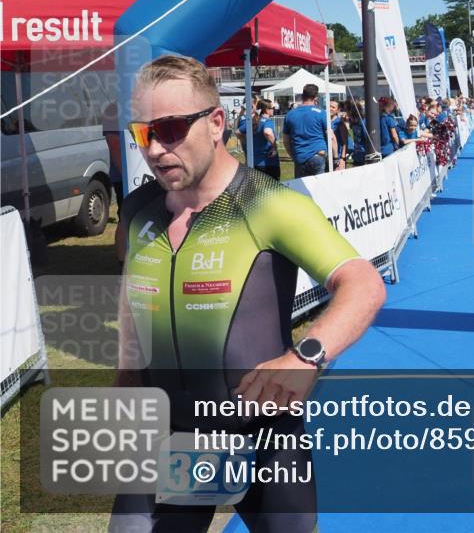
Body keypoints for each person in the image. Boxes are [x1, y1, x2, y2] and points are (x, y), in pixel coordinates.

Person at [112, 55, 385, 533]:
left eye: (171, 129)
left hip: (264, 441)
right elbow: (132, 290)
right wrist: (127, 376)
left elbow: (363, 284)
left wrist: (305, 358)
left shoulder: (268, 202)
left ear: (216, 123)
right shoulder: (138, 210)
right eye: (143, 133)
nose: (155, 149)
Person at [281, 84, 328, 177]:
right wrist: (336, 158)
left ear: (303, 96)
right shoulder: (321, 113)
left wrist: (293, 156)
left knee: (301, 189)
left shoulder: (290, 114)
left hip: (300, 156)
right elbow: (330, 136)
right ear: (316, 97)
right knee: (319, 189)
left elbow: (286, 141)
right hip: (318, 155)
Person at [239, 98, 281, 180]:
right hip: (269, 164)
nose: (274, 110)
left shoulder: (254, 121)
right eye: (272, 108)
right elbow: (267, 132)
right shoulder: (267, 122)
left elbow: (238, 132)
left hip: (255, 163)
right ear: (266, 110)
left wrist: (246, 143)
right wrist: (275, 146)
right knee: (272, 191)